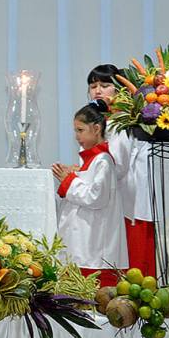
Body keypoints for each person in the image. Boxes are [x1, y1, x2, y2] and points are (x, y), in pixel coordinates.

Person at [85, 64, 156, 278]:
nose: (98, 91)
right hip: (110, 195)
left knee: (130, 266)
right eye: (93, 86)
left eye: (105, 85)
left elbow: (117, 165)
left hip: (126, 200)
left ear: (120, 89)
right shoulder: (99, 120)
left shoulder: (121, 120)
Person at [52, 100, 128, 287]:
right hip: (83, 239)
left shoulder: (103, 160)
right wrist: (74, 175)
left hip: (94, 244)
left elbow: (96, 196)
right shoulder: (92, 159)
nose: (77, 136)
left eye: (80, 130)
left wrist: (69, 180)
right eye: (75, 131)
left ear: (96, 129)